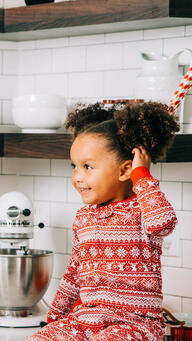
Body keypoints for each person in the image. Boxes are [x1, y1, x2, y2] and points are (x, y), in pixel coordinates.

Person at [28, 102, 180, 341]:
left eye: (87, 167)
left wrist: (142, 176)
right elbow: (74, 272)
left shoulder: (142, 209)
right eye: (74, 167)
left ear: (125, 170)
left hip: (135, 324)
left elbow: (163, 223)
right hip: (87, 319)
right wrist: (56, 320)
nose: (77, 177)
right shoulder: (84, 218)